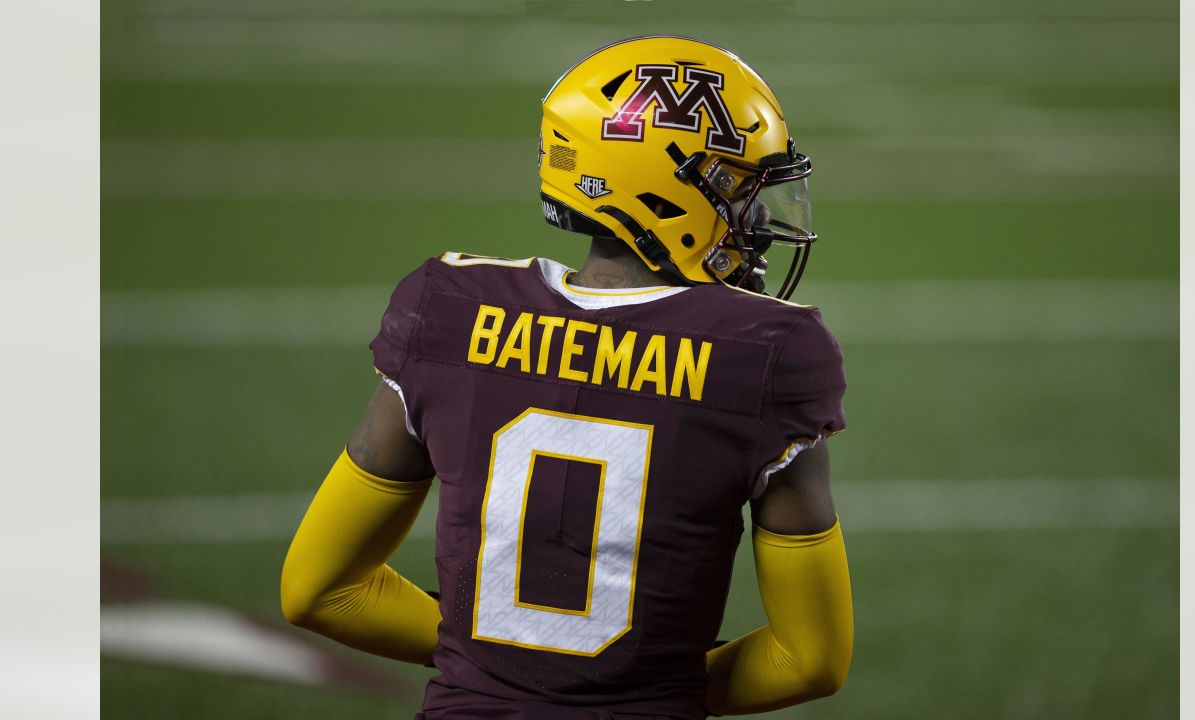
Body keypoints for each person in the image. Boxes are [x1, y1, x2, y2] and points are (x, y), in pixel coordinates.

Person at [281, 35, 853, 719]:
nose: (757, 220)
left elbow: (318, 591)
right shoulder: (764, 354)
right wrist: (641, 684)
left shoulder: (446, 311)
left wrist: (500, 656)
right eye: (738, 186)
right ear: (667, 189)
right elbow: (810, 660)